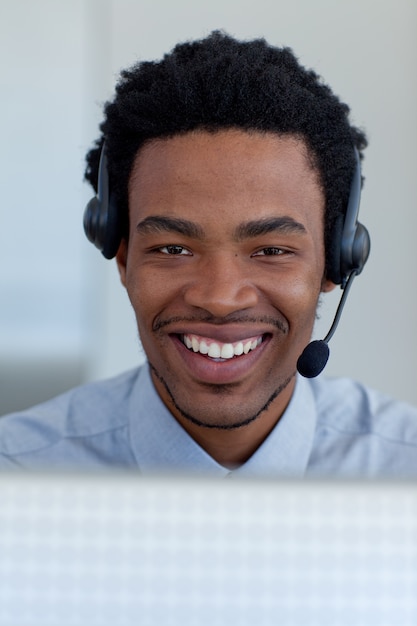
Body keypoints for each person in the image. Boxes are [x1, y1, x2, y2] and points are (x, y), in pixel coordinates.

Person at [0, 31, 416, 475]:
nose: (220, 298)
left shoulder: (403, 470)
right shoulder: (19, 473)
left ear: (336, 264)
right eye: (174, 248)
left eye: (271, 249)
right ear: (123, 257)